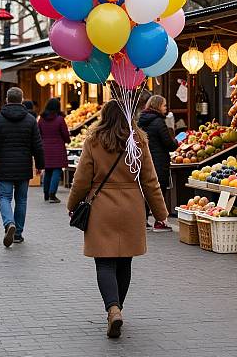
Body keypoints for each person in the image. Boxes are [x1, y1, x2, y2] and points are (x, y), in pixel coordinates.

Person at [67, 99, 168, 339]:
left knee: (104, 262)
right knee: (125, 263)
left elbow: (82, 179)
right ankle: (118, 309)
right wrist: (161, 213)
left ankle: (112, 309)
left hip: (101, 206)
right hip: (132, 206)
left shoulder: (94, 141)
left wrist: (72, 204)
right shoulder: (138, 141)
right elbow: (150, 181)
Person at [0, 87, 44, 247]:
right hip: (24, 166)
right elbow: (38, 146)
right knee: (21, 200)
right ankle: (17, 233)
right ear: (22, 99)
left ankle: (8, 222)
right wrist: (39, 165)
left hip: (4, 165)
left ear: (6, 100)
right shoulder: (30, 120)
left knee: (4, 197)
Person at [138, 95, 178, 232]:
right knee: (159, 191)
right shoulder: (159, 122)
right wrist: (176, 140)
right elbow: (169, 144)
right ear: (157, 106)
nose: (166, 108)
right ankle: (160, 221)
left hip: (145, 160)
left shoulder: (142, 121)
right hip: (159, 161)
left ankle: (143, 220)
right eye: (164, 105)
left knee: (147, 190)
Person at [38, 98, 70, 203]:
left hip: (45, 148)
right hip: (58, 148)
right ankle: (52, 194)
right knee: (57, 170)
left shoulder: (41, 119)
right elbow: (65, 134)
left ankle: (46, 194)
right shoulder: (60, 119)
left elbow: (38, 134)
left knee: (47, 170)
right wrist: (67, 140)